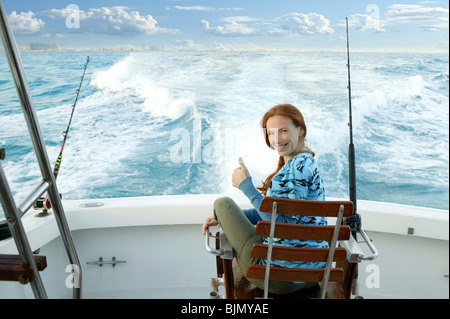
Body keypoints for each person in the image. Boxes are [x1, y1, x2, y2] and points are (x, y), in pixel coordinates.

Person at [202, 104, 327, 294]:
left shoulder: (293, 171)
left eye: (283, 131)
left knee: (223, 204)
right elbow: (279, 215)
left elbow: (281, 224)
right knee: (238, 218)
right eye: (271, 133)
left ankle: (224, 286)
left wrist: (246, 186)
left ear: (300, 128)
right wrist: (233, 218)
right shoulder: (307, 163)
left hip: (278, 278)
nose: (276, 139)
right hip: (312, 273)